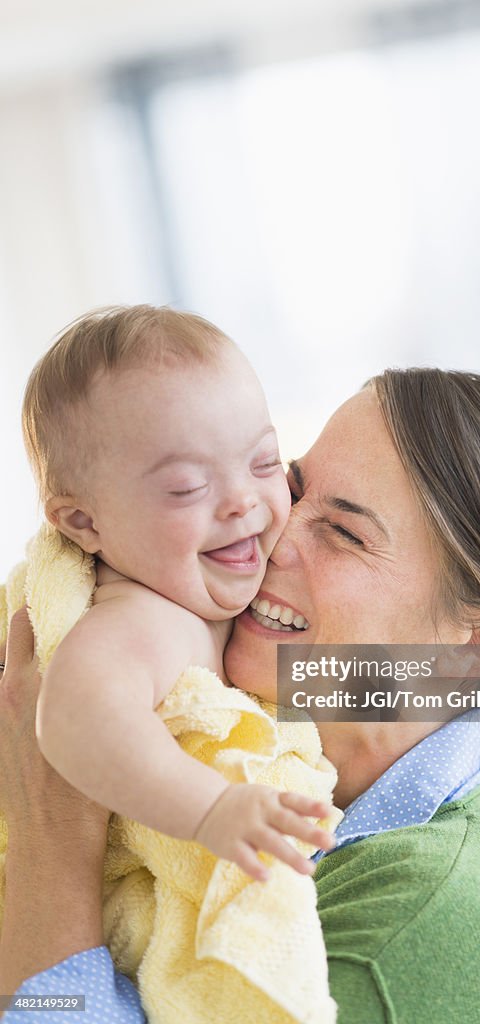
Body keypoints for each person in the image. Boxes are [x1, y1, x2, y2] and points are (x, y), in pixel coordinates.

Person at [0, 368, 480, 1023]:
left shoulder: (438, 918)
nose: (269, 537)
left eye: (345, 534)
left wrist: (54, 829)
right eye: (290, 488)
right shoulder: (202, 730)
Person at [14, 305, 334, 879]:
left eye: (265, 461)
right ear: (85, 524)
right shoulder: (141, 619)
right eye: (188, 487)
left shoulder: (202, 587)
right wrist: (210, 807)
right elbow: (74, 717)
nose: (242, 499)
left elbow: (391, 680)